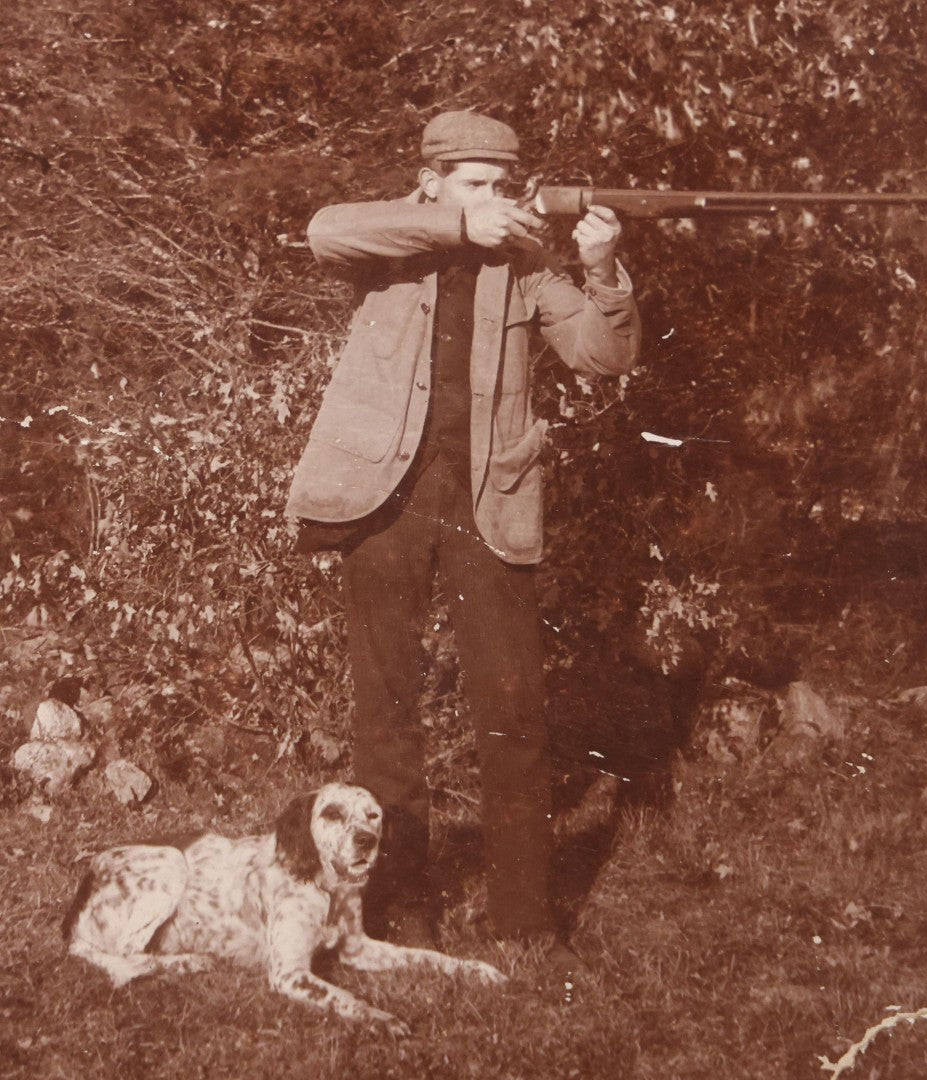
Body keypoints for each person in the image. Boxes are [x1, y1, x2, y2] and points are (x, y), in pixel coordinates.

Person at [286, 110, 640, 979]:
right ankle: (403, 911)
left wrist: (601, 272)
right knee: (387, 712)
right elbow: (323, 229)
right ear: (432, 180)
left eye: (500, 186)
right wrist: (458, 224)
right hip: (385, 502)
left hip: (491, 506)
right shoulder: (393, 240)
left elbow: (603, 357)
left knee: (513, 713)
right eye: (474, 184)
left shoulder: (524, 267)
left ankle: (525, 919)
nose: (494, 201)